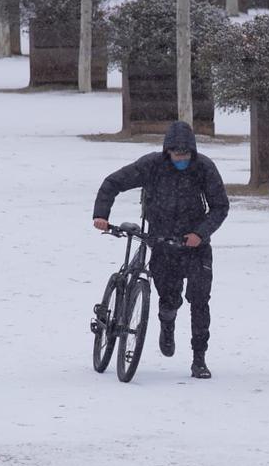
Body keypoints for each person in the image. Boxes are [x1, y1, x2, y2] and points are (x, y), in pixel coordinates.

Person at [92, 121, 229, 379]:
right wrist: (101, 214)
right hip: (162, 244)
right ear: (167, 152)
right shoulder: (152, 166)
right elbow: (113, 183)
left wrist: (200, 233)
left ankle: (199, 359)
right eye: (176, 154)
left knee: (200, 300)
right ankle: (167, 321)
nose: (181, 159)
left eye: (185, 154)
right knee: (169, 297)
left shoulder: (204, 168)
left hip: (195, 246)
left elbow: (220, 206)